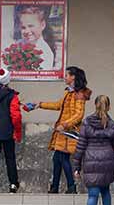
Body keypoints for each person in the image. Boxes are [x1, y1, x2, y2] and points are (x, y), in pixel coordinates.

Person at [24, 66, 91, 194]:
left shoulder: (79, 94)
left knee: (63, 158)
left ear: (73, 77)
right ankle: (55, 186)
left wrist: (65, 125)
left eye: (67, 75)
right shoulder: (69, 92)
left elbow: (79, 115)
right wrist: (40, 104)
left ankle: (70, 187)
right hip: (63, 131)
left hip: (69, 132)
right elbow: (58, 105)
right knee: (57, 158)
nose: (65, 77)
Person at [71, 95, 114, 205]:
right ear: (109, 107)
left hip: (90, 161)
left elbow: (80, 146)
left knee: (92, 195)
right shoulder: (113, 125)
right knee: (105, 190)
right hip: (107, 161)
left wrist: (76, 166)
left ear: (95, 105)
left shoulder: (86, 123)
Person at [16, 5, 59, 70]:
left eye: (31, 26)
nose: (27, 31)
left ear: (42, 25)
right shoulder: (18, 44)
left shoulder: (46, 53)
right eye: (23, 27)